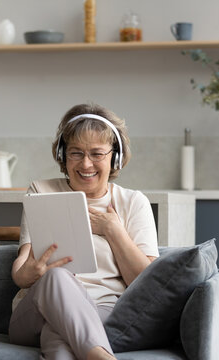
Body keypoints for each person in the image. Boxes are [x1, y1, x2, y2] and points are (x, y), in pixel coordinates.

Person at [9, 103, 159, 360]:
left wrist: (114, 231)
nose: (86, 163)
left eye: (97, 153)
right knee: (57, 278)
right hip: (34, 311)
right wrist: (32, 272)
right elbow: (20, 275)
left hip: (103, 313)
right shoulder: (41, 192)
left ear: (115, 156)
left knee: (57, 331)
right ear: (63, 155)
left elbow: (146, 287)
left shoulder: (134, 203)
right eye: (76, 153)